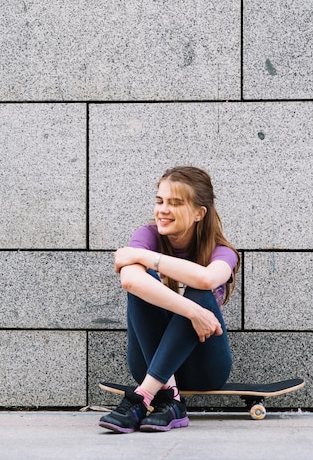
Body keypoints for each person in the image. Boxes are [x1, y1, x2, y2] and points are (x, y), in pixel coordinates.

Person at [99, 166, 240, 434]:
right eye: (160, 201)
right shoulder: (147, 236)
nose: (163, 209)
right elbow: (130, 281)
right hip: (149, 361)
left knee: (200, 292)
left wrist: (147, 258)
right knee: (144, 285)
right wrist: (192, 312)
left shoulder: (222, 251)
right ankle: (168, 398)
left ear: (200, 213)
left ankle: (143, 398)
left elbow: (208, 280)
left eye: (175, 203)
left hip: (205, 367)